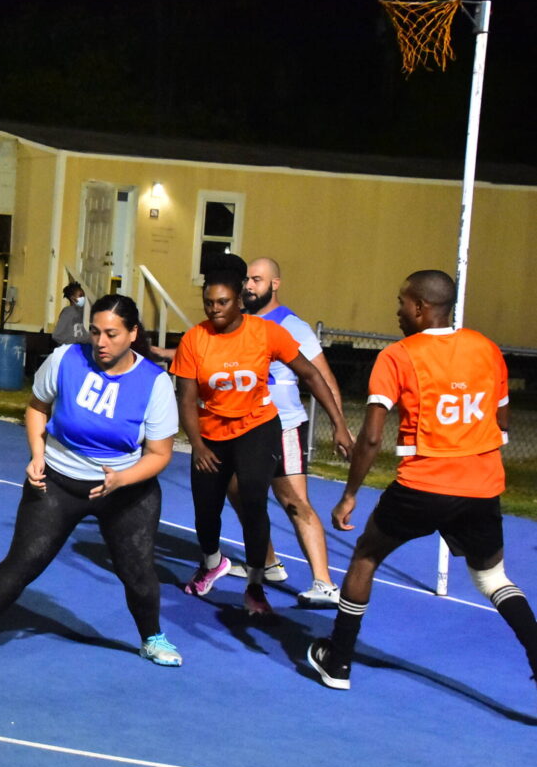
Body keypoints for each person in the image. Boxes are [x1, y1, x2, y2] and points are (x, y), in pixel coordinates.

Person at [309, 270, 537, 692]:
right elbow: (501, 421)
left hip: (423, 484)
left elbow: (373, 437)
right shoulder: (486, 349)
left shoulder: (397, 356)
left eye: (401, 302)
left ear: (419, 306)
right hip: (481, 485)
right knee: (493, 578)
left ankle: (338, 661)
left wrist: (349, 495)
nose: (397, 311)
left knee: (365, 556)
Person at [0, 294, 182, 680]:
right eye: (96, 332)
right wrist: (37, 453)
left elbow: (159, 454)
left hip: (125, 487)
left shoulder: (155, 383)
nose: (100, 342)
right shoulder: (67, 359)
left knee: (138, 571)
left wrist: (120, 479)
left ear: (133, 335)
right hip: (58, 481)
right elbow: (37, 407)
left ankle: (152, 637)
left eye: (112, 334)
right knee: (22, 564)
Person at [171, 270, 352, 619]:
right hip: (211, 434)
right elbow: (186, 397)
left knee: (254, 499)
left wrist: (339, 423)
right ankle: (211, 562)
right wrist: (197, 444)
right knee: (206, 511)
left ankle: (255, 585)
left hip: (257, 427)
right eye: (208, 303)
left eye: (222, 302)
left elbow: (312, 375)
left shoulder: (267, 332)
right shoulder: (195, 339)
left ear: (239, 301)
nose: (215, 309)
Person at [223, 257, 346, 607]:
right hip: (243, 426)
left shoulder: (293, 325)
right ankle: (268, 563)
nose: (248, 285)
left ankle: (324, 583)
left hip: (281, 425)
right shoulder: (239, 323)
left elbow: (321, 377)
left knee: (293, 500)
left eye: (257, 280)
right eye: (246, 279)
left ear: (274, 284)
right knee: (238, 491)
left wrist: (339, 425)